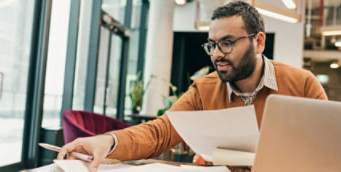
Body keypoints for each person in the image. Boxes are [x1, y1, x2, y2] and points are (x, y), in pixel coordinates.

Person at [57, 1, 327, 171]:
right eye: (212, 44)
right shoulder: (204, 89)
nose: (217, 54)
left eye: (227, 43)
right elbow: (159, 132)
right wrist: (107, 140)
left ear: (258, 42)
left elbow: (328, 151)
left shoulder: (302, 85)